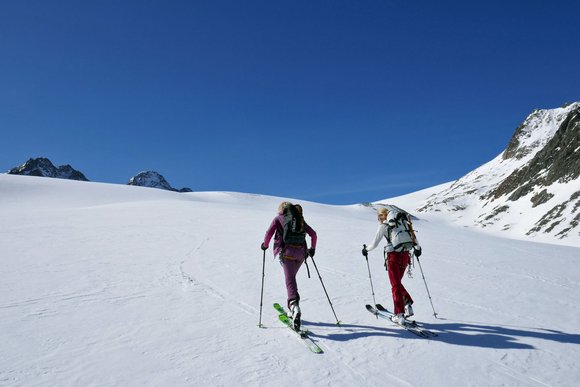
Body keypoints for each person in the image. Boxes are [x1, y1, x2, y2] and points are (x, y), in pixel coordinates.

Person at [261, 201, 317, 330]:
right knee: (292, 279)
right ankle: (293, 305)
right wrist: (312, 249)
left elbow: (269, 233)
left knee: (290, 280)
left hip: (287, 253)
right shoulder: (299, 219)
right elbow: (313, 234)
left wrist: (265, 245)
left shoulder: (278, 218)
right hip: (302, 254)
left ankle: (293, 305)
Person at [362, 207, 421, 324]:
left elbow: (374, 244)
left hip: (393, 257)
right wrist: (418, 248)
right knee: (397, 283)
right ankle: (407, 303)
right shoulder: (403, 223)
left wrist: (366, 249)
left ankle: (399, 315)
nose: (378, 219)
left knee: (395, 285)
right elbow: (413, 236)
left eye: (378, 216)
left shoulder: (384, 226)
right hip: (405, 256)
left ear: (383, 216)